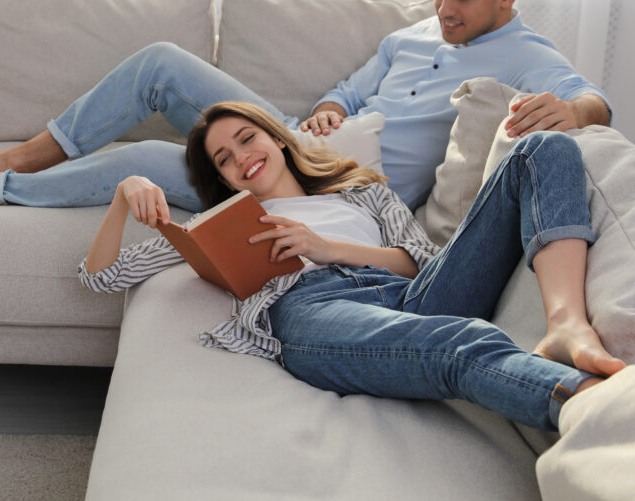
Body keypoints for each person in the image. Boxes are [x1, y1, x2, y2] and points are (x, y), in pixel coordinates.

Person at [0, 0, 610, 213]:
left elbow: (594, 105)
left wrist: (574, 111)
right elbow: (349, 88)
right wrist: (335, 106)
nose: (445, 7)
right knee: (160, 61)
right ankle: (23, 157)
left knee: (148, 165)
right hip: (301, 138)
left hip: (332, 189)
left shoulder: (526, 54)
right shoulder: (415, 33)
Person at [78, 101, 625, 431]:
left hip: (414, 291)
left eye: (247, 137)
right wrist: (124, 195)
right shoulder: (227, 223)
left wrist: (327, 246)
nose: (241, 155)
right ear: (223, 180)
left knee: (543, 147)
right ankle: (589, 407)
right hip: (318, 310)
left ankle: (565, 323)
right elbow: (100, 277)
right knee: (461, 343)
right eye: (224, 159)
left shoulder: (360, 190)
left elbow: (422, 263)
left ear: (276, 137)